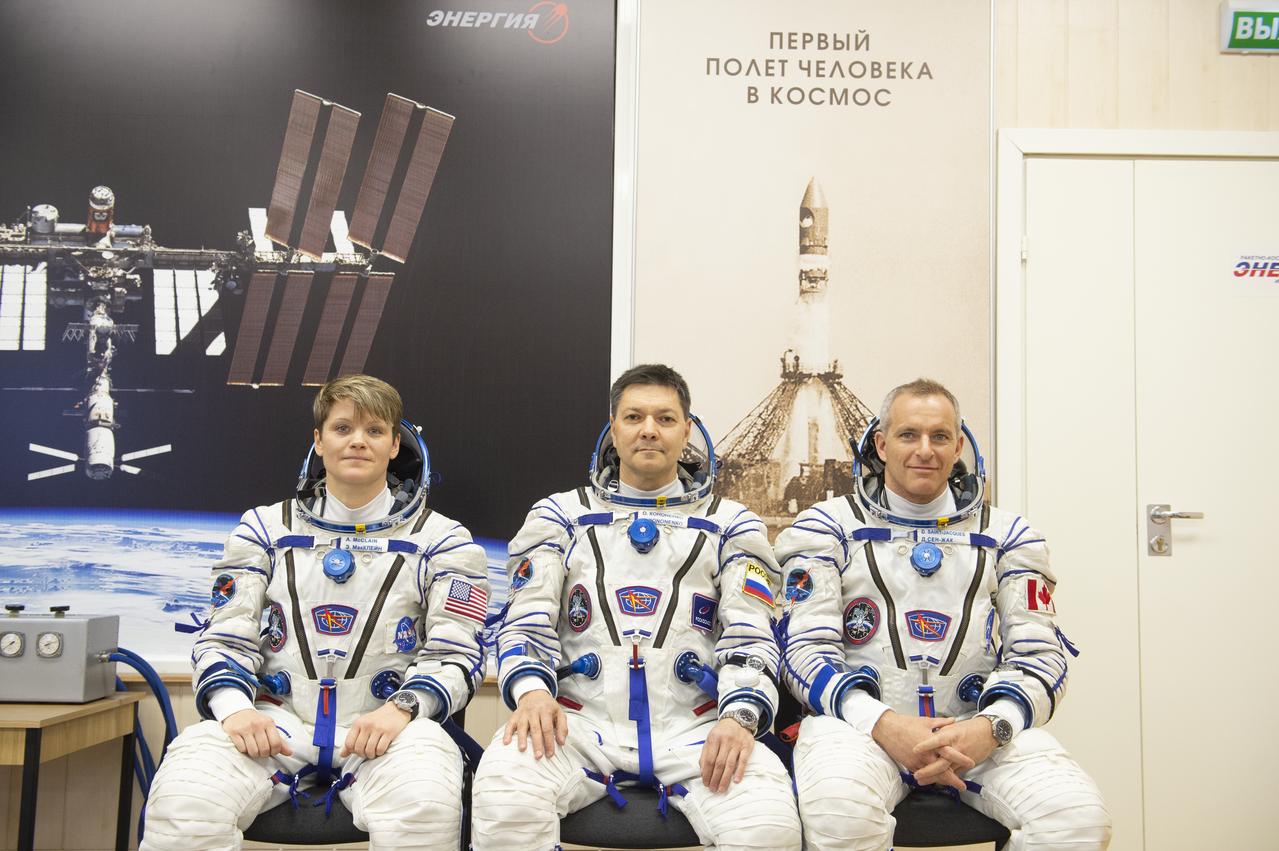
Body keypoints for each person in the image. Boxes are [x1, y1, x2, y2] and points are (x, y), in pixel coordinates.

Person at [141, 374, 489, 851]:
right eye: (343, 428)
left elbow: (458, 651)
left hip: (388, 726)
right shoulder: (262, 529)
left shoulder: (444, 541)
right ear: (318, 442)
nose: (357, 442)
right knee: (184, 798)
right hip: (275, 723)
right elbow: (225, 637)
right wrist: (235, 710)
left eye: (374, 431)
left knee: (425, 807)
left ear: (394, 446)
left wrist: (403, 709)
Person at [471, 364, 801, 851]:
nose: (649, 429)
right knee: (504, 794)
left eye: (666, 419)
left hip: (699, 728)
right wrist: (533, 695)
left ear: (687, 430)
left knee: (769, 827)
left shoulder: (730, 524)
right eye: (635, 417)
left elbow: (750, 637)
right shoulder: (559, 516)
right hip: (575, 724)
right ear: (613, 427)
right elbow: (525, 623)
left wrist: (740, 717)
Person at [774, 378, 1112, 851]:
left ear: (958, 446)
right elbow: (803, 649)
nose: (924, 450)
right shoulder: (828, 527)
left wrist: (991, 728)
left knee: (1077, 819)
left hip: (975, 730)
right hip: (860, 728)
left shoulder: (1010, 535)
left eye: (939, 437)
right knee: (839, 812)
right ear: (881, 443)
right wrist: (882, 722)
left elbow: (1042, 656)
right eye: (909, 435)